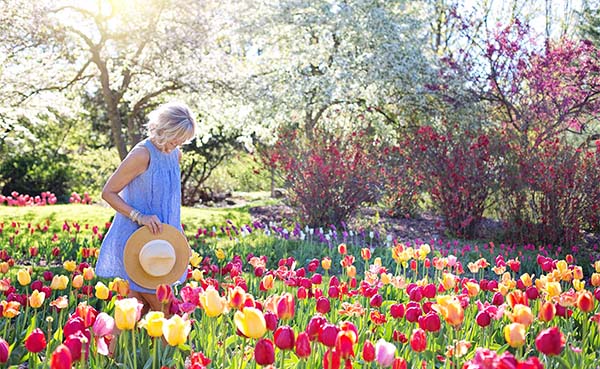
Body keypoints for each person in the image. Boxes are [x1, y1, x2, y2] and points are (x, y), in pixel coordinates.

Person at [96, 101, 197, 314]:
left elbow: (170, 204)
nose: (177, 144)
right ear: (163, 129)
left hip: (162, 244)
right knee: (167, 311)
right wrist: (139, 216)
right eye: (175, 138)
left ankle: (100, 347)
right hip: (140, 244)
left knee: (135, 313)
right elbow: (108, 192)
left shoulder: (175, 155)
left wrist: (179, 237)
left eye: (182, 140)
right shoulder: (142, 154)